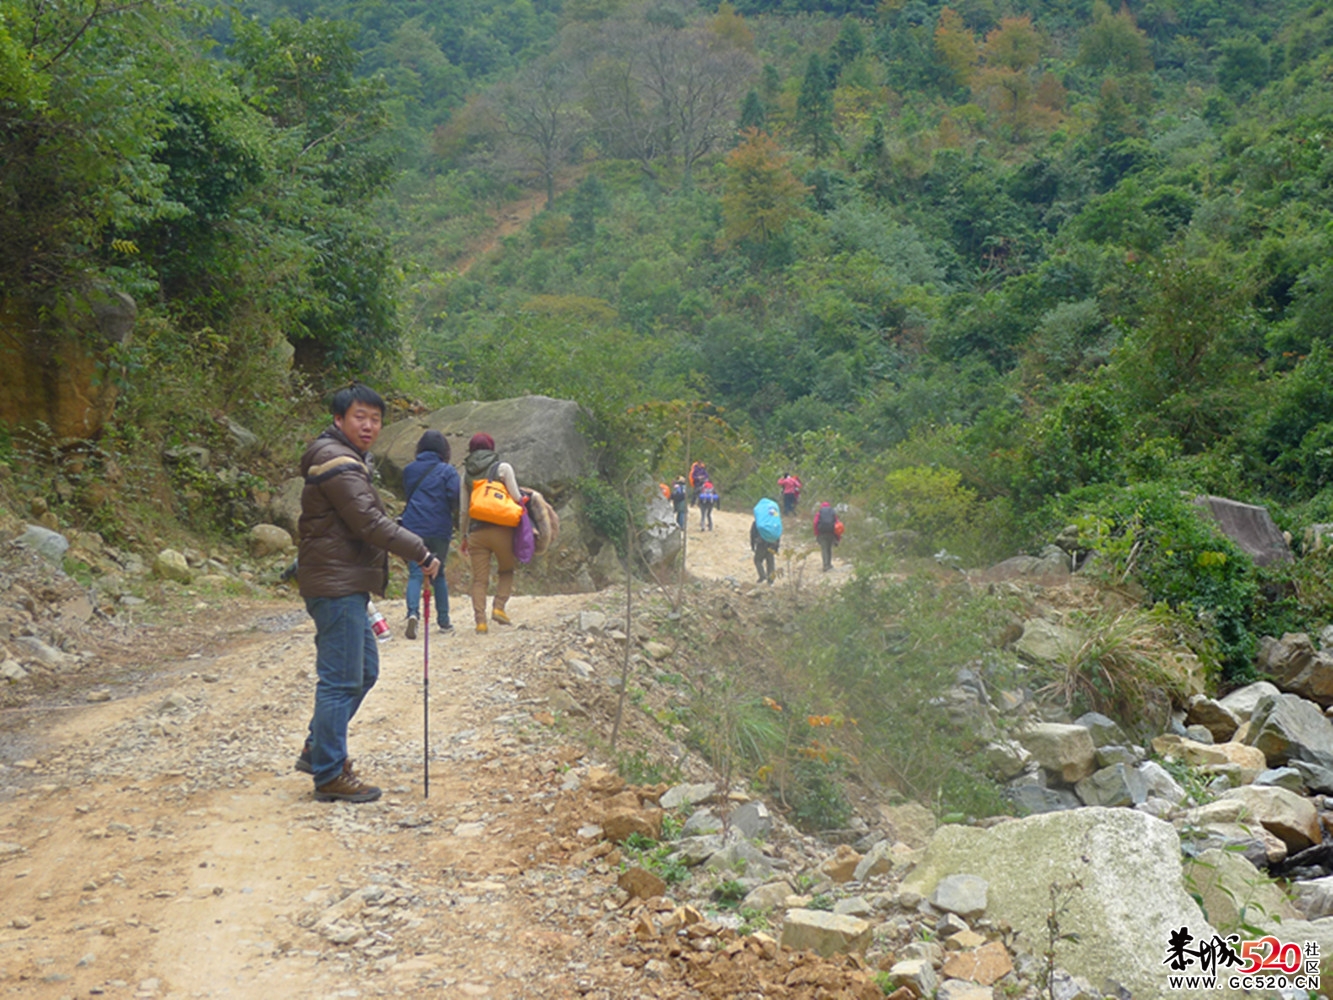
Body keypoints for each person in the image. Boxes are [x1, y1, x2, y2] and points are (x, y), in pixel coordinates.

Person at [296, 383, 441, 804]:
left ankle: (318, 747)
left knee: (363, 673)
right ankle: (328, 772)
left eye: (375, 419)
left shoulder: (348, 460)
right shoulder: (337, 462)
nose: (369, 425)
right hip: (336, 584)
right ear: (339, 419)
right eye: (360, 417)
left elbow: (368, 518)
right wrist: (421, 551)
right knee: (341, 680)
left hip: (345, 583)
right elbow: (370, 523)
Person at [460, 433, 522, 634]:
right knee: (506, 570)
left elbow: (464, 509)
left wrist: (464, 536)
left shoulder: (466, 475)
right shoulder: (503, 468)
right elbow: (516, 497)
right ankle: (499, 607)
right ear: (491, 448)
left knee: (479, 580)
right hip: (502, 530)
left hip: (477, 532)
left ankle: (480, 622)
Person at [401, 430, 460, 638]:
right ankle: (443, 622)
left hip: (412, 527)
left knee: (415, 572)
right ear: (443, 450)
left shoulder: (409, 470)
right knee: (439, 573)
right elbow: (455, 497)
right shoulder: (448, 471)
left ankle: (412, 614)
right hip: (439, 528)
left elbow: (408, 494)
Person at [813, 501, 842, 571]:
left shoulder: (819, 513)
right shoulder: (832, 513)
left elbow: (815, 523)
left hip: (822, 533)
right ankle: (829, 564)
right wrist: (838, 537)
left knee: (824, 549)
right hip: (831, 533)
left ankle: (825, 565)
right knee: (829, 549)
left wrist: (817, 533)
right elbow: (837, 524)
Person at [750, 517, 779, 584]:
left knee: (757, 560)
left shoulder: (757, 522)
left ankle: (762, 575)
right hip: (772, 544)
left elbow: (752, 533)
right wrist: (777, 547)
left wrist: (752, 545)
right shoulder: (773, 522)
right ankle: (771, 580)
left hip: (761, 544)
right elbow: (777, 534)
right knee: (770, 562)